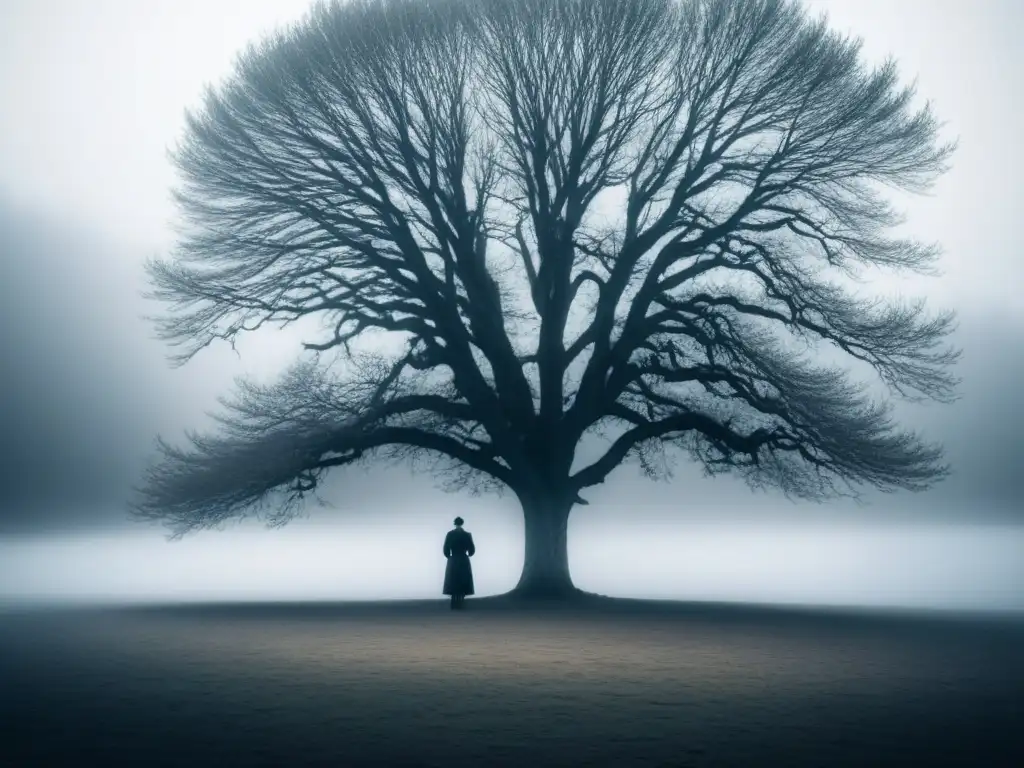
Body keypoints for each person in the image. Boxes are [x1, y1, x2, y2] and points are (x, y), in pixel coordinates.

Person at [442, 516, 475, 610]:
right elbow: (472, 549)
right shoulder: (467, 534)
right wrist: (469, 554)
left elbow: (446, 548)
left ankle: (454, 602)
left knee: (453, 580)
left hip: (454, 558)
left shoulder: (450, 534)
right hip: (463, 558)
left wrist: (449, 556)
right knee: (463, 580)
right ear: (462, 523)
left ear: (455, 523)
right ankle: (461, 601)